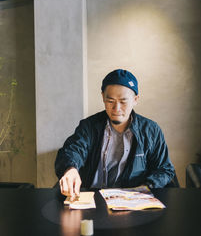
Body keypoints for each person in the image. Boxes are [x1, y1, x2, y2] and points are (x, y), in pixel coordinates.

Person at [55, 69, 176, 199]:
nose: (116, 109)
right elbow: (72, 150)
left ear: (135, 99)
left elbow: (164, 169)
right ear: (103, 97)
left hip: (132, 201)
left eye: (123, 102)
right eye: (110, 101)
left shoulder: (151, 130)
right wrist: (70, 169)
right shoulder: (89, 126)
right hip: (93, 199)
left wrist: (145, 188)